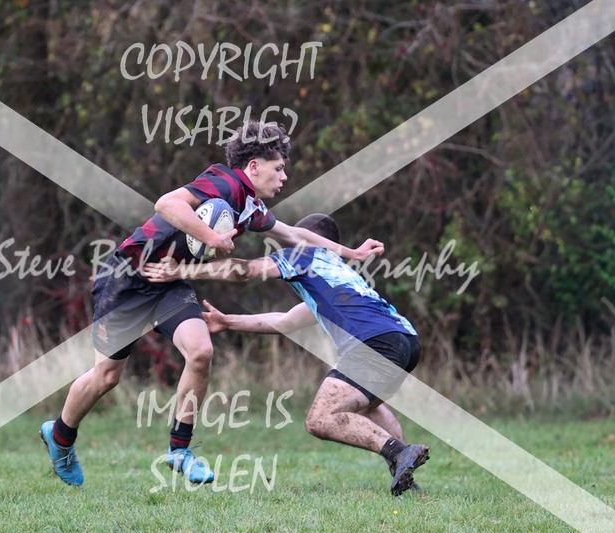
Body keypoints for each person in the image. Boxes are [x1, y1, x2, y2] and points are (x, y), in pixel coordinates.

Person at [40, 122, 385, 487]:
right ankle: (60, 437)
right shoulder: (223, 183)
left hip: (169, 281)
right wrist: (212, 238)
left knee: (201, 352)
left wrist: (351, 252)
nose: (284, 176)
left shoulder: (250, 206)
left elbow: (294, 234)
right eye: (279, 167)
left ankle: (180, 450)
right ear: (253, 166)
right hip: (126, 279)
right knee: (107, 377)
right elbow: (167, 204)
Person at [142, 213, 430, 496]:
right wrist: (227, 321)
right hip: (405, 340)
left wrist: (183, 271)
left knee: (319, 419)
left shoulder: (303, 254)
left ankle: (399, 452)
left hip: (375, 342)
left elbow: (245, 270)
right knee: (367, 406)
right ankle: (406, 475)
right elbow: (286, 322)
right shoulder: (336, 274)